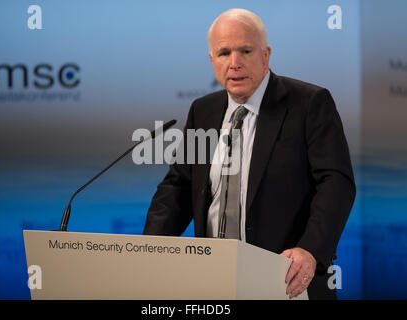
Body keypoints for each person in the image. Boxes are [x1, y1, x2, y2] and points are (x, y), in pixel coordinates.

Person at [143, 8, 355, 300]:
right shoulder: (202, 111)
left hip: (285, 279)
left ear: (265, 55)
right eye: (224, 53)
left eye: (245, 50)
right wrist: (147, 251)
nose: (234, 63)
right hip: (211, 281)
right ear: (211, 60)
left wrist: (310, 249)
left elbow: (336, 184)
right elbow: (177, 188)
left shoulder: (308, 104)